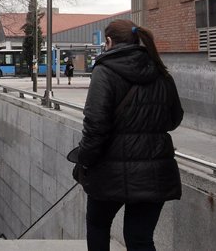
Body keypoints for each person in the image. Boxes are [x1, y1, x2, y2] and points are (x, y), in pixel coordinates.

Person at [74, 19, 183, 251]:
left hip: (109, 170)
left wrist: (83, 161)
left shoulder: (104, 72)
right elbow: (174, 120)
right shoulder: (161, 71)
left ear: (109, 42)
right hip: (155, 170)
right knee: (140, 238)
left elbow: (95, 127)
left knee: (98, 225)